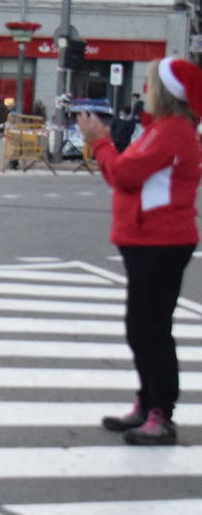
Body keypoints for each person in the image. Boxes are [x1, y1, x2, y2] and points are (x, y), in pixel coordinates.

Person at [83, 59, 202, 446]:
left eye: (151, 85)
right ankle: (149, 401)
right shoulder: (163, 131)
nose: (146, 92)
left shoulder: (171, 132)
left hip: (160, 241)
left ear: (165, 93)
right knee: (143, 328)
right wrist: (104, 146)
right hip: (148, 240)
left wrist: (99, 141)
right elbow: (125, 173)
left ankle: (160, 414)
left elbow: (123, 175)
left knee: (149, 329)